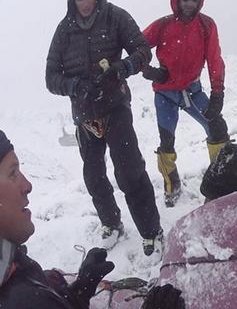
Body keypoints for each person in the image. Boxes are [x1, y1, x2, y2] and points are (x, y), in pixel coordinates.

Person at [45, 0, 163, 256]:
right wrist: (75, 87)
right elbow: (50, 77)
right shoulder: (64, 31)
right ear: (72, 0)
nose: (85, 2)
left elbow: (142, 50)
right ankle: (111, 223)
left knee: (129, 171)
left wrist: (123, 67)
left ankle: (151, 231)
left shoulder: (116, 17)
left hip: (115, 108)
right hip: (85, 116)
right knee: (94, 175)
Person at [0, 130, 184, 308]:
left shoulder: (11, 266)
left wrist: (79, 291)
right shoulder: (24, 300)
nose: (27, 185)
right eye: (12, 173)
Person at [142, 0, 230, 207]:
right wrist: (151, 71)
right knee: (167, 141)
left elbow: (214, 58)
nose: (189, 3)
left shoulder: (206, 25)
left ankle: (219, 184)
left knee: (217, 129)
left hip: (192, 91)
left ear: (199, 1)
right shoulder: (163, 25)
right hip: (165, 94)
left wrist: (217, 93)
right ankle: (172, 186)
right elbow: (138, 47)